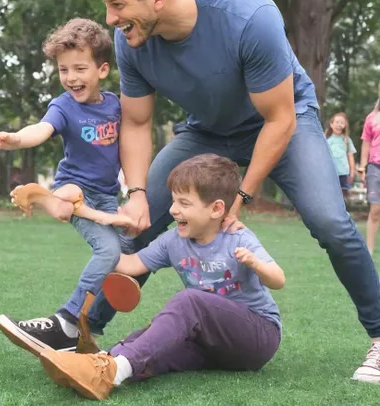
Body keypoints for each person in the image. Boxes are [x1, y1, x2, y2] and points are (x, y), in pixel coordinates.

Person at [73, 0, 379, 383]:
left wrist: (243, 193)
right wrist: (137, 193)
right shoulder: (130, 39)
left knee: (332, 224)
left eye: (117, 5)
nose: (110, 17)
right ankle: (83, 332)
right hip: (206, 130)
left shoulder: (248, 16)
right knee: (139, 226)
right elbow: (137, 124)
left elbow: (278, 119)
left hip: (282, 121)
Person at [38, 154, 285, 401]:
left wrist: (256, 264)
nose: (173, 210)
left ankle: (109, 371)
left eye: (184, 203)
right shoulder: (173, 241)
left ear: (217, 208)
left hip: (256, 339)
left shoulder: (238, 238)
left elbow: (278, 280)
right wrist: (89, 217)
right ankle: (100, 367)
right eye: (174, 201)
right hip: (209, 346)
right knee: (149, 341)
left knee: (190, 301)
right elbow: (129, 264)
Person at [0, 18, 135, 353]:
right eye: (62, 70)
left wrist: (133, 190)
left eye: (79, 69)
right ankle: (68, 319)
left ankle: (84, 333)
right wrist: (16, 139)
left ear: (101, 69)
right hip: (76, 189)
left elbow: (129, 148)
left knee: (124, 254)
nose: (70, 78)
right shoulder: (64, 105)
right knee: (108, 250)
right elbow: (41, 129)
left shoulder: (115, 105)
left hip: (107, 196)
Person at [359, 83, 380, 255]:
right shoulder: (372, 118)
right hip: (375, 167)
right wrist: (362, 167)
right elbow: (366, 143)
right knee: (375, 211)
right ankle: (369, 250)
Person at [325, 112, 357, 194]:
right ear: (331, 124)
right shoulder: (326, 140)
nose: (339, 125)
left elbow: (350, 156)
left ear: (345, 125)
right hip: (330, 172)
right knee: (330, 193)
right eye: (337, 122)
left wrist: (352, 171)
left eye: (342, 123)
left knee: (343, 194)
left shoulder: (346, 140)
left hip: (343, 173)